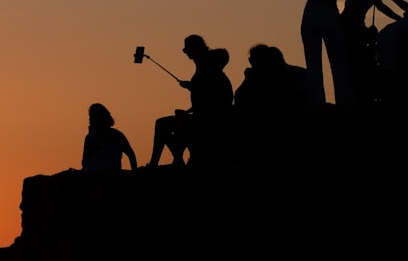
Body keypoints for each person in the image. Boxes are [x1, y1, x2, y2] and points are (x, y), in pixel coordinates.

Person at [265, 0, 353, 105]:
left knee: (313, 64)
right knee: (338, 63)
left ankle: (316, 102)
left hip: (311, 12)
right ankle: (344, 102)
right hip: (329, 12)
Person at [148, 35, 233, 166]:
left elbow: (209, 95)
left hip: (209, 118)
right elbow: (205, 96)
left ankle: (157, 163)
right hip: (205, 115)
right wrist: (188, 110)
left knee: (161, 124)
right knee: (172, 124)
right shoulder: (206, 67)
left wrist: (191, 87)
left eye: (187, 48)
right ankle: (177, 159)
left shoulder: (208, 68)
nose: (185, 51)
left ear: (196, 48)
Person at [340, 0, 408, 100]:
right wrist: (402, 19)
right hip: (350, 23)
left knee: (359, 60)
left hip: (355, 22)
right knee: (357, 62)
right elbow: (380, 5)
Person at [233, 44, 307, 112]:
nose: (250, 62)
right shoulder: (298, 72)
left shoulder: (261, 78)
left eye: (252, 59)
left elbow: (240, 97)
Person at [82, 103, 137, 171]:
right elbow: (131, 155)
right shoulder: (119, 135)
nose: (89, 120)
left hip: (97, 177)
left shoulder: (91, 138)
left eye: (92, 117)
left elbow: (85, 161)